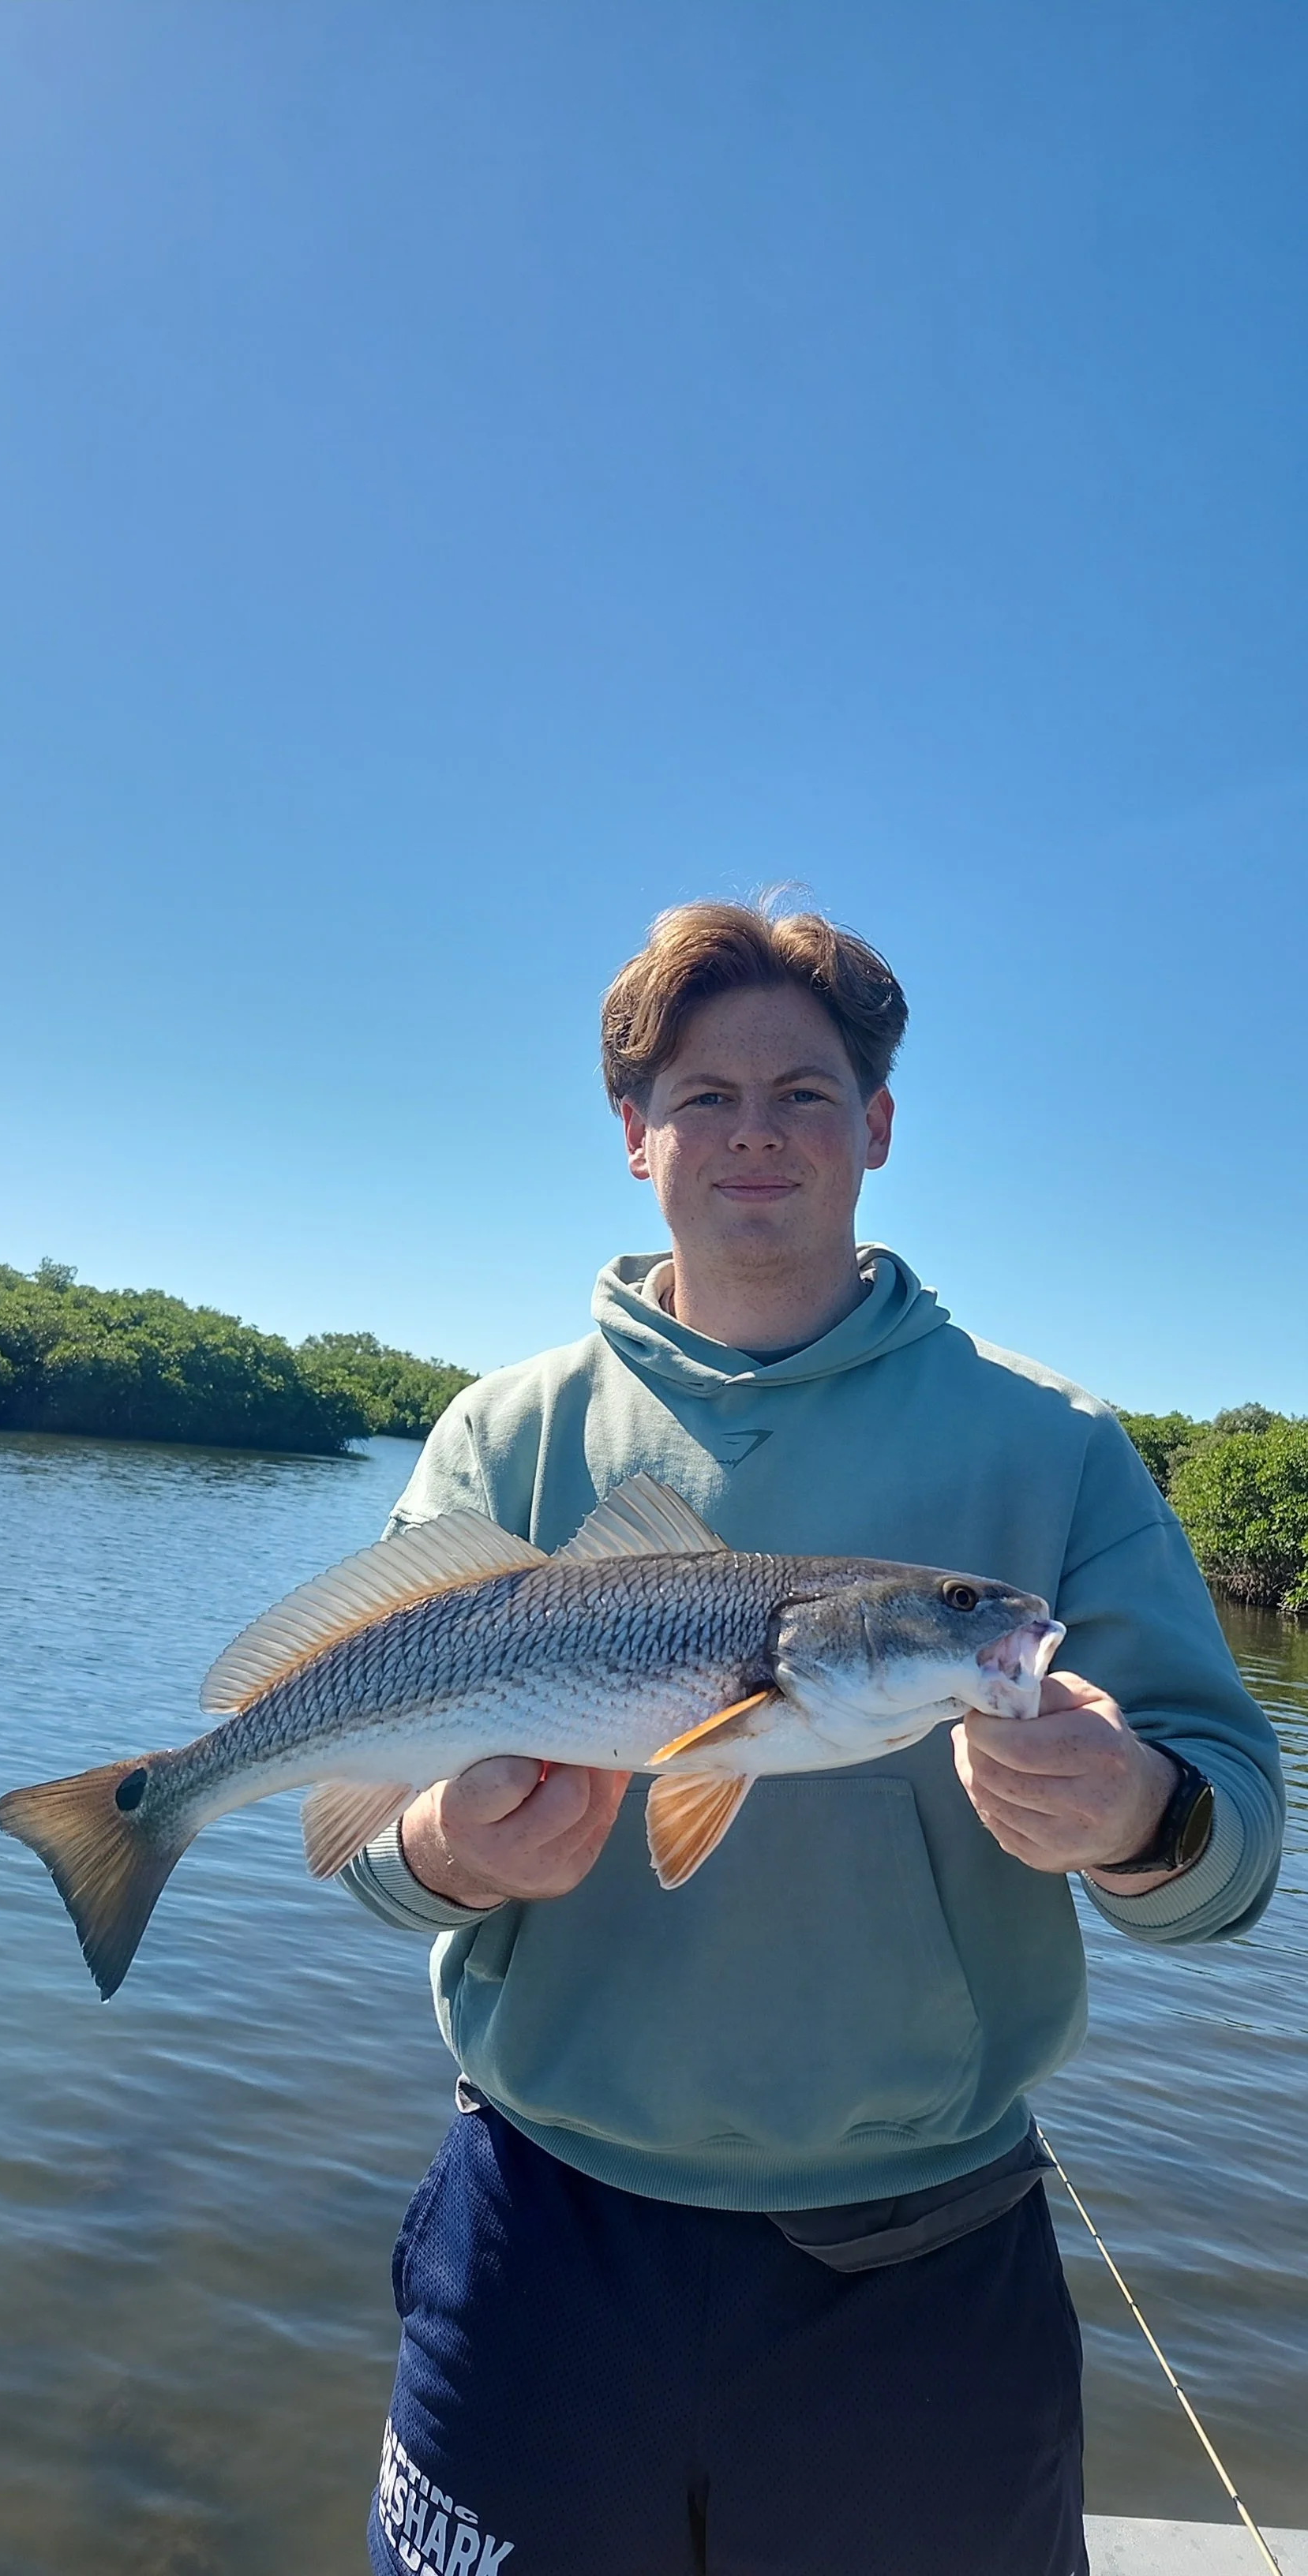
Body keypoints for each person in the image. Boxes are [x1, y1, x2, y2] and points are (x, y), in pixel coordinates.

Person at [343, 900, 1284, 2576]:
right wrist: (436, 1850)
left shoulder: (1052, 1445)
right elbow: (365, 1837)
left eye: (806, 1090)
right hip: (541, 2232)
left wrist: (1140, 1815)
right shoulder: (506, 1434)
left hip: (922, 2269)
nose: (757, 1132)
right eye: (705, 1095)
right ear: (635, 1137)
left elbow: (1233, 1859)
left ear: (881, 1127)